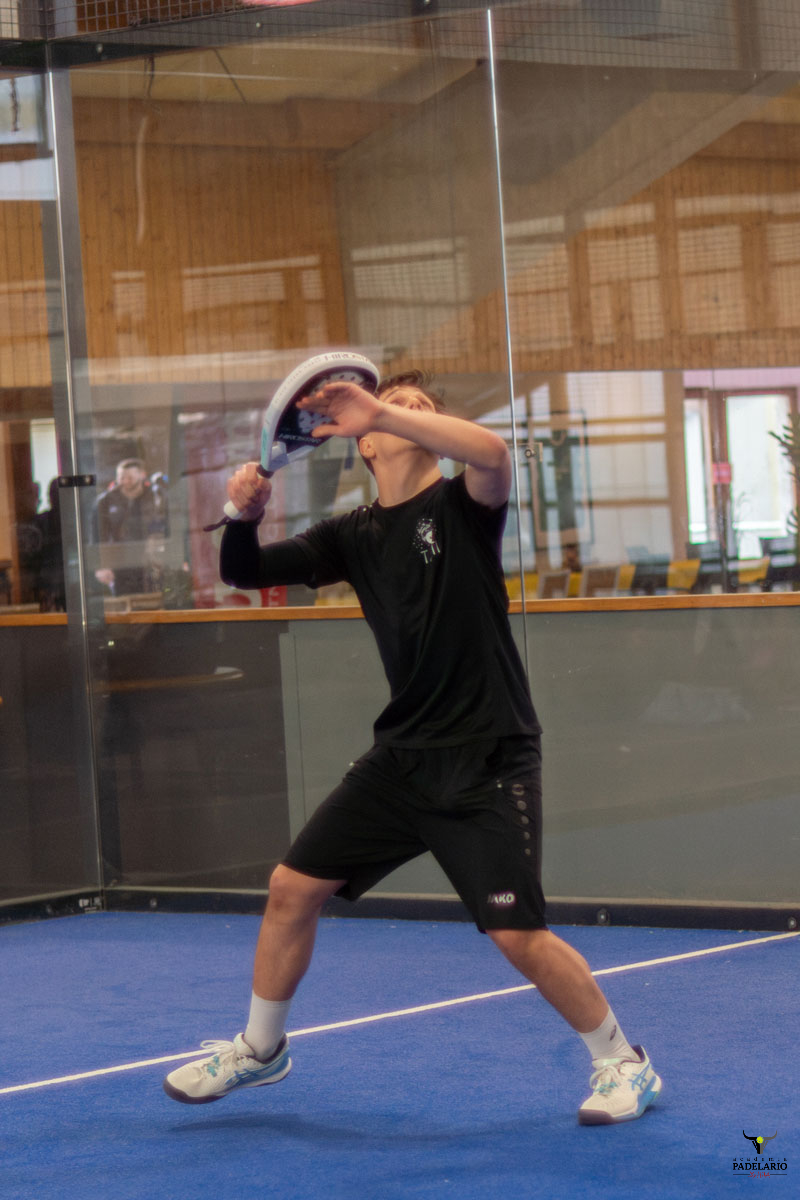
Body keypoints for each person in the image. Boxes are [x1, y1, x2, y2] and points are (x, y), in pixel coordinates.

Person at [163, 370, 661, 1124]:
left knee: (516, 934)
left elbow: (491, 452)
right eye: (397, 409)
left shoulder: (465, 506)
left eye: (422, 408)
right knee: (291, 889)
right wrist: (243, 513)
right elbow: (243, 570)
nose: (411, 415)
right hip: (400, 762)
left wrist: (382, 409)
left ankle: (624, 1063)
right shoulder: (351, 535)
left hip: (488, 758)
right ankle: (260, 1051)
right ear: (364, 445)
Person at [92, 458, 168, 596]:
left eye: (130, 478)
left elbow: (166, 525)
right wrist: (101, 565)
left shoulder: (155, 497)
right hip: (120, 564)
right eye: (121, 477)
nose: (125, 481)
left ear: (142, 475)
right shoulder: (105, 501)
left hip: (150, 560)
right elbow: (98, 535)